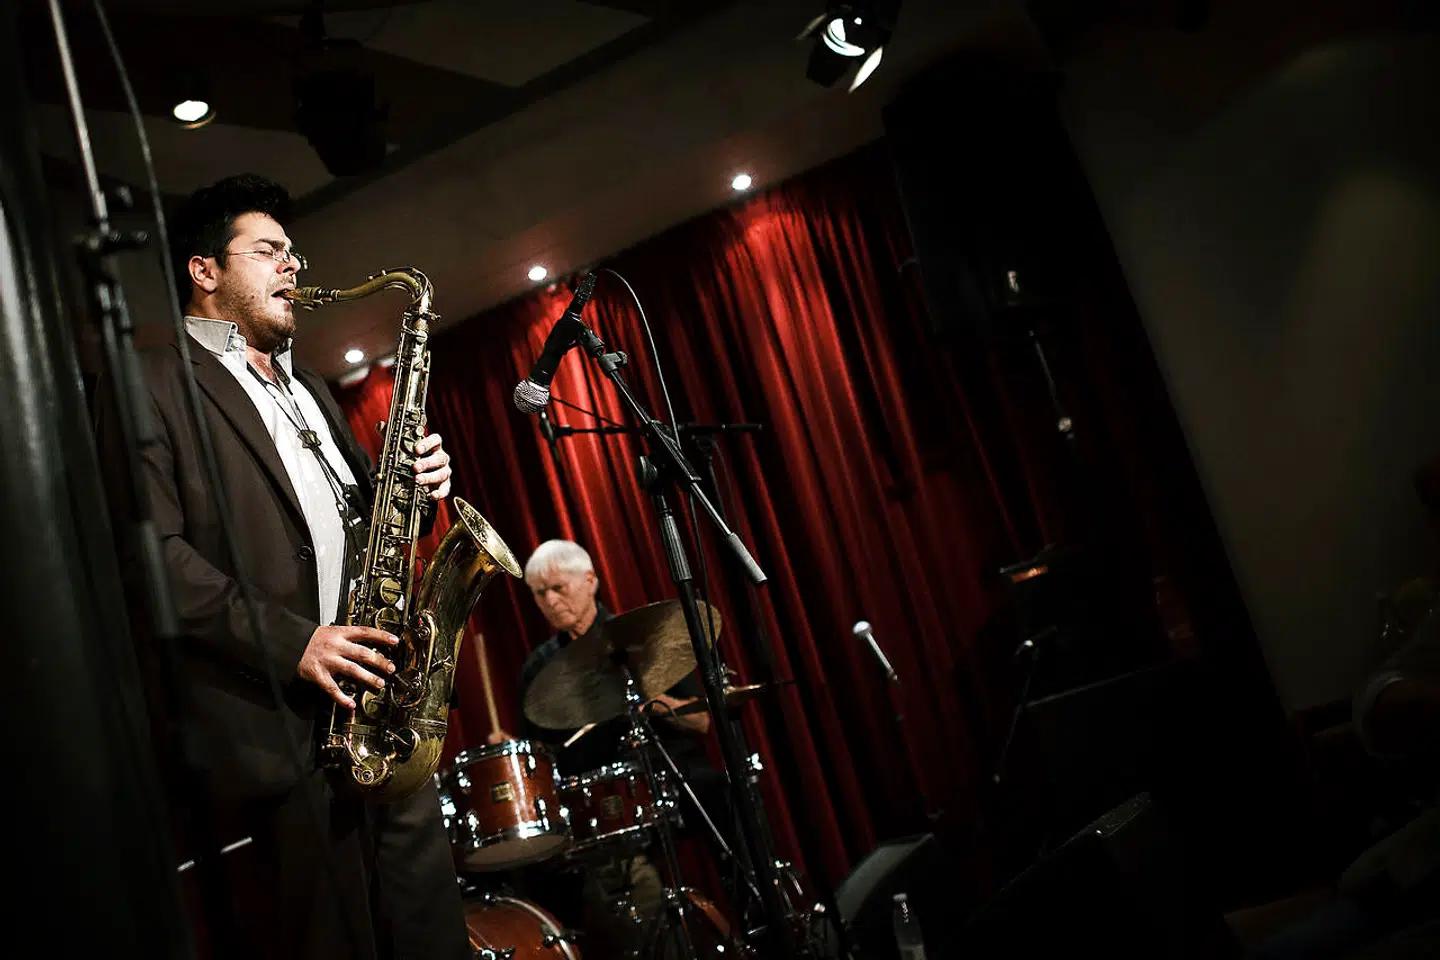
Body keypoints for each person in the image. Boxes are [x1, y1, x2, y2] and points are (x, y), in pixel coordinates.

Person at [93, 174, 469, 959]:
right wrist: (292, 641)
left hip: (381, 716)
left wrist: (417, 488)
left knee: (432, 938)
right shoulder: (151, 380)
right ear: (205, 271)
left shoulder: (314, 389)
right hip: (279, 734)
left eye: (292, 253)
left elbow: (369, 531)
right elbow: (148, 556)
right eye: (267, 252)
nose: (292, 266)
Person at [487, 539, 733, 947]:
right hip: (596, 800)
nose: (549, 600)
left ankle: (756, 912)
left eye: (557, 588)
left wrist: (646, 698)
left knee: (724, 795)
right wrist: (514, 751)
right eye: (538, 593)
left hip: (665, 773)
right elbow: (542, 756)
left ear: (590, 581)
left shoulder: (647, 638)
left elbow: (702, 720)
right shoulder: (539, 668)